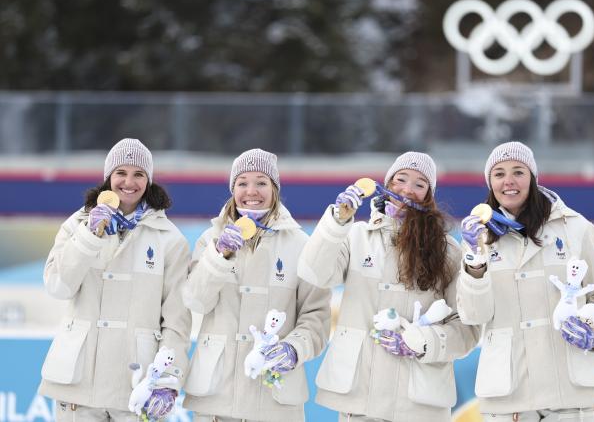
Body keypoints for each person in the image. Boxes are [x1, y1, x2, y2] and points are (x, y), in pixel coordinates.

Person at [297, 151, 480, 422]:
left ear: (429, 196)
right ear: (387, 185)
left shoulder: (447, 252)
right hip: (359, 398)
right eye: (400, 180)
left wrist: (423, 343)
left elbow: (468, 327)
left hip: (419, 405)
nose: (408, 189)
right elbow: (314, 272)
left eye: (419, 184)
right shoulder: (356, 237)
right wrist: (336, 222)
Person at [457, 141, 594, 422]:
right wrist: (475, 261)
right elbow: (475, 315)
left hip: (572, 394)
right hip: (509, 396)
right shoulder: (479, 237)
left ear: (533, 178)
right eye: (498, 174)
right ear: (490, 183)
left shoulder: (576, 228)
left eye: (518, 172)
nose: (508, 181)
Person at [39, 138, 192, 421]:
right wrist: (89, 236)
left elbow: (177, 321)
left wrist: (169, 378)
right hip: (78, 384)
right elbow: (58, 287)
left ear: (149, 180)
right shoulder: (77, 225)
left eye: (138, 174)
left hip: (136, 386)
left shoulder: (171, 240)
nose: (129, 182)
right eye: (121, 173)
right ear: (109, 177)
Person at [181, 148, 331, 422]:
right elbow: (196, 301)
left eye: (261, 182)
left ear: (274, 189)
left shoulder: (301, 245)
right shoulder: (209, 240)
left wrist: (294, 349)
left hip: (275, 403)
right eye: (243, 183)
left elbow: (316, 318)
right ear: (232, 189)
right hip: (216, 402)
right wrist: (219, 257)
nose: (252, 191)